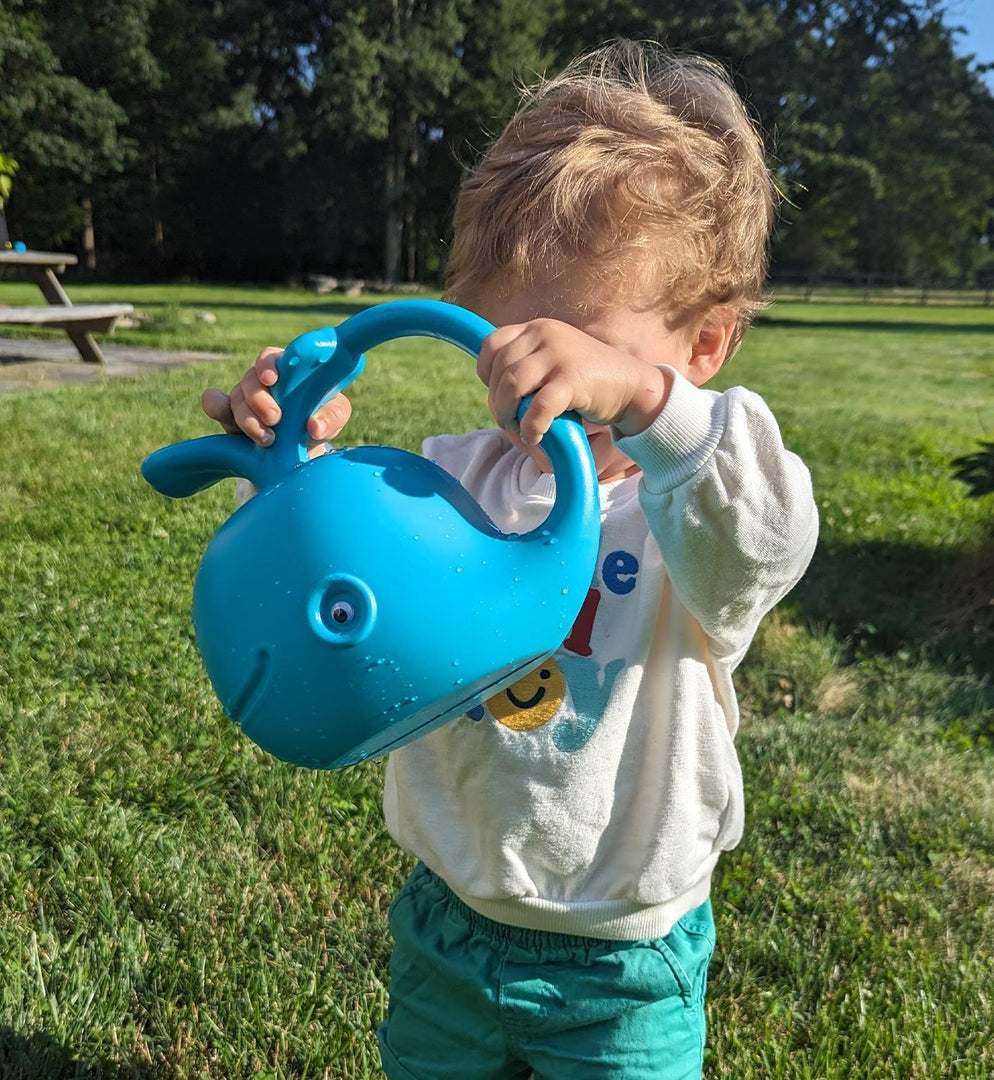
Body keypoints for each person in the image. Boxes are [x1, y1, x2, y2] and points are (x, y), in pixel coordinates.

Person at [202, 39, 818, 1080]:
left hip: (624, 959)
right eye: (509, 341)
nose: (541, 375)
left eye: (579, 341)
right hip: (448, 922)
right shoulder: (456, 477)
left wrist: (645, 400)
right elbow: (355, 575)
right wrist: (293, 453)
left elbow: (768, 531)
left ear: (704, 348)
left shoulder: (694, 512)